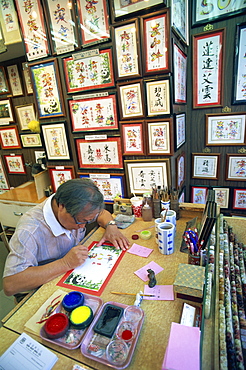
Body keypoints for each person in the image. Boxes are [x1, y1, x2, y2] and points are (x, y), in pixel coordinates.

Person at [3, 178, 130, 301]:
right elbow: (10, 285)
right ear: (61, 207)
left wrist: (111, 225)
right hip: (41, 288)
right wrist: (65, 263)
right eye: (80, 221)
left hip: (72, 274)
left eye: (88, 221)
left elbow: (101, 213)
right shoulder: (29, 230)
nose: (82, 226)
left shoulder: (72, 203)